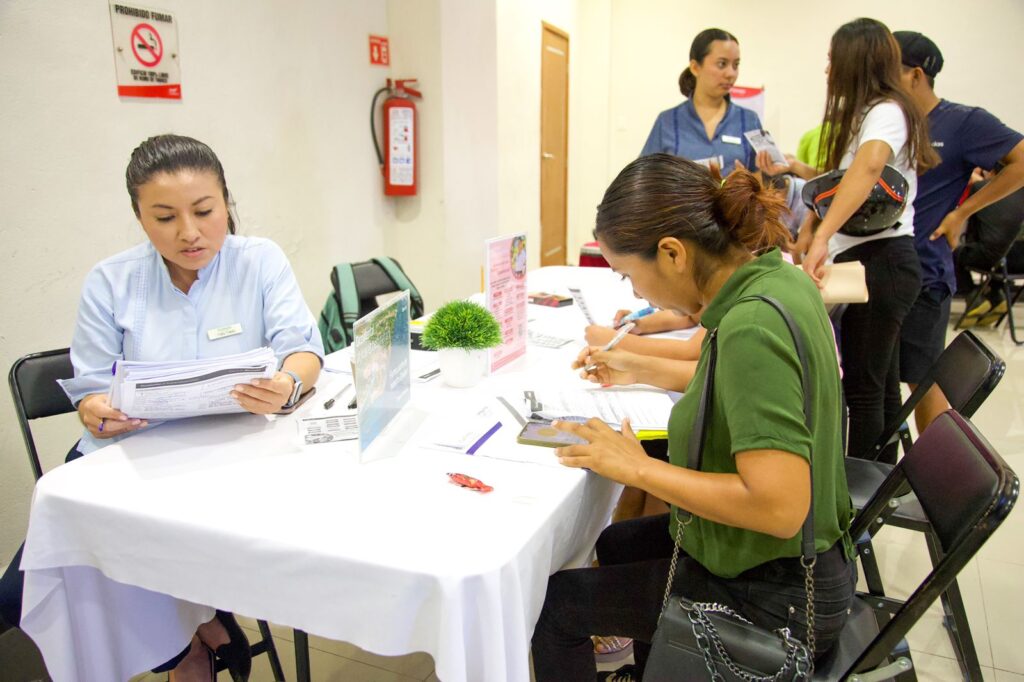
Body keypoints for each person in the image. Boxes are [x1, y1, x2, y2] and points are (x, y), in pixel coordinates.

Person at [0, 134, 325, 682]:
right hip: (129, 455)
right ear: (139, 218)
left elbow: (303, 347)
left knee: (184, 549)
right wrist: (97, 407)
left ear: (226, 203)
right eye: (164, 217)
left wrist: (289, 383)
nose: (190, 233)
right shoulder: (112, 281)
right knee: (21, 593)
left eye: (204, 211)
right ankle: (194, 633)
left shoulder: (260, 260)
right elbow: (91, 388)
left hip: (228, 457)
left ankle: (194, 635)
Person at [530, 154, 855, 682]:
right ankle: (654, 668)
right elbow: (730, 383)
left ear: (673, 253)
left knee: (559, 608)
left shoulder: (751, 325)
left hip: (783, 598)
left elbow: (779, 507)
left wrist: (638, 469)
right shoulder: (775, 280)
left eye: (631, 275)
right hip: (798, 560)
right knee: (617, 542)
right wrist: (635, 364)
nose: (636, 293)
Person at [765, 18, 939, 463]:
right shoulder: (867, 114)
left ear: (853, 61)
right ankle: (875, 487)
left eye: (832, 60)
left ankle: (854, 505)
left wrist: (821, 235)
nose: (828, 70)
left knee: (863, 390)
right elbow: (840, 184)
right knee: (877, 386)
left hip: (883, 263)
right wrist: (809, 228)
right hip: (873, 261)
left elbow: (867, 172)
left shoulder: (887, 112)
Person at [892, 30, 1024, 430]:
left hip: (925, 274)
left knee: (923, 384)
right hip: (885, 272)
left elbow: (1020, 162)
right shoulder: (889, 123)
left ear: (915, 75)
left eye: (888, 71)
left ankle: (943, 481)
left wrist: (963, 212)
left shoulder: (964, 122)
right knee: (878, 384)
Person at [640, 28, 762, 174]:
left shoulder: (749, 120)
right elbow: (643, 179)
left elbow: (767, 181)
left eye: (735, 65)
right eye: (722, 64)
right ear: (695, 67)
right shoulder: (667, 122)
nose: (731, 74)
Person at [954, 178, 1024, 324]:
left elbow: (972, 232)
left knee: (955, 253)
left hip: (993, 257)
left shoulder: (980, 188)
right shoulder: (1020, 188)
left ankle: (973, 297)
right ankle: (996, 296)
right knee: (1000, 252)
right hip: (1019, 260)